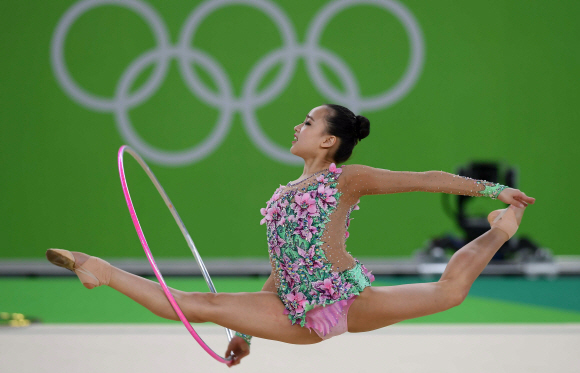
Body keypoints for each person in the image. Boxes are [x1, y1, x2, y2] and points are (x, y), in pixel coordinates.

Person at [46, 104, 535, 367]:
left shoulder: (346, 178)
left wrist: (494, 192)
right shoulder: (285, 194)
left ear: (328, 140)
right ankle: (101, 269)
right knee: (201, 304)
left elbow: (427, 179)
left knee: (448, 293)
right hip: (294, 310)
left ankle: (502, 229)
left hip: (342, 299)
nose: (296, 125)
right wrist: (244, 333)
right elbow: (281, 269)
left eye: (307, 121)